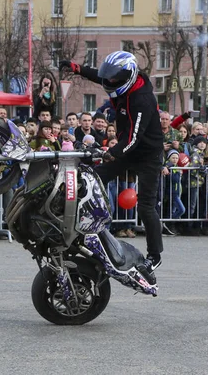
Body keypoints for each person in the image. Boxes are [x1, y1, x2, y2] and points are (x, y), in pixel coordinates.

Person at [60, 51, 164, 275]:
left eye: (115, 79)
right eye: (111, 77)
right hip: (127, 146)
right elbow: (101, 77)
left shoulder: (142, 99)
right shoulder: (119, 80)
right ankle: (81, 227)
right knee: (94, 177)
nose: (110, 82)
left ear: (128, 75)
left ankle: (155, 256)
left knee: (146, 205)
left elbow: (133, 138)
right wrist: (76, 68)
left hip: (147, 153)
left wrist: (111, 153)